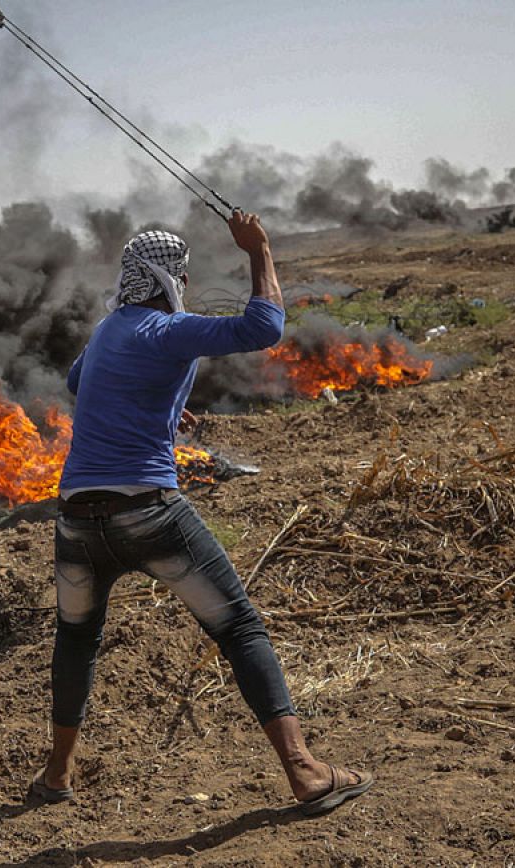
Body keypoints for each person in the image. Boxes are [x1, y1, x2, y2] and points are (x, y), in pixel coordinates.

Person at [29, 210, 373, 815]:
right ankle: (305, 771)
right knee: (238, 628)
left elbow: (82, 381)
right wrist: (259, 248)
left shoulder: (108, 330)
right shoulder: (169, 330)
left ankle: (57, 773)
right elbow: (264, 326)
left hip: (77, 520)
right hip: (149, 514)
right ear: (173, 279)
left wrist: (156, 407)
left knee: (77, 640)